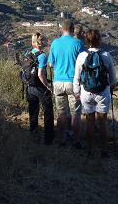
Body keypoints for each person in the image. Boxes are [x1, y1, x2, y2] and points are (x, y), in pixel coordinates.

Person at [73, 29, 117, 157]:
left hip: (86, 92)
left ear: (86, 41)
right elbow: (113, 78)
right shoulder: (106, 56)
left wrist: (77, 93)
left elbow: (76, 77)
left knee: (89, 122)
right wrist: (111, 86)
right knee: (103, 122)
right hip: (103, 91)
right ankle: (104, 150)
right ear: (99, 40)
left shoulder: (82, 56)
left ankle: (90, 150)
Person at [48, 20, 85, 148]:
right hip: (73, 82)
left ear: (62, 29)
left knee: (61, 113)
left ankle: (61, 140)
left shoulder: (55, 43)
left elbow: (51, 64)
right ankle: (76, 142)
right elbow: (85, 63)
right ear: (72, 29)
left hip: (58, 82)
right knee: (76, 114)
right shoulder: (78, 43)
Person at [27, 33, 54, 145]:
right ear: (40, 42)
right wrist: (48, 86)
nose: (45, 42)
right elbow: (40, 74)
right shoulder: (42, 56)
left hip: (29, 87)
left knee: (33, 112)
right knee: (48, 112)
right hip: (40, 87)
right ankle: (48, 139)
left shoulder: (28, 53)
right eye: (43, 40)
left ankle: (33, 136)